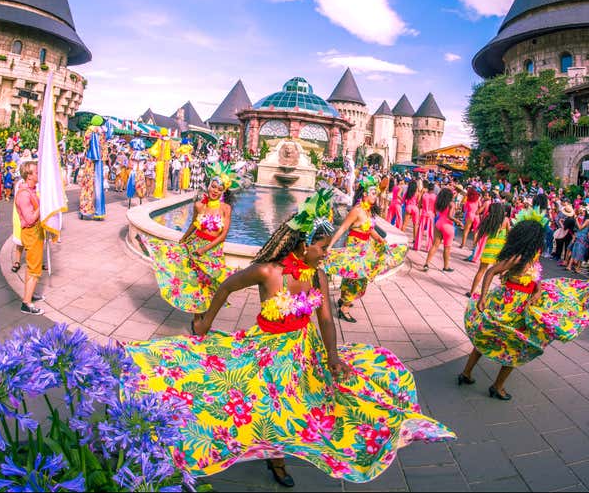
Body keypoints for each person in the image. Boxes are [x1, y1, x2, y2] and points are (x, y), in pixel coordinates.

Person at [126, 190, 455, 487]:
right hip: (266, 350)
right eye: (324, 247)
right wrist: (207, 322)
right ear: (302, 245)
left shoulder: (318, 275)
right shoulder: (267, 272)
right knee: (259, 400)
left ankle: (277, 453)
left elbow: (325, 318)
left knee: (301, 402)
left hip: (303, 349)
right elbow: (226, 286)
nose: (328, 252)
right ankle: (275, 457)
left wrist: (332, 356)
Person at [458, 208, 589, 400]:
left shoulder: (532, 256)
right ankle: (488, 383)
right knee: (514, 346)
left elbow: (536, 277)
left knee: (506, 342)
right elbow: (491, 272)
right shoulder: (517, 257)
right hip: (509, 306)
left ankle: (475, 377)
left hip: (522, 306)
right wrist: (482, 298)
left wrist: (538, 290)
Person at [143, 162, 237, 324]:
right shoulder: (199, 206)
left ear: (223, 191)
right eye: (213, 187)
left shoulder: (225, 208)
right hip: (195, 245)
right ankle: (197, 318)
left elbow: (223, 236)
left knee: (210, 283)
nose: (215, 191)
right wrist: (183, 239)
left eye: (219, 189)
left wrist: (205, 249)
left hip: (212, 250)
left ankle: (204, 315)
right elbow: (194, 224)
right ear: (209, 186)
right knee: (194, 282)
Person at [325, 176, 406, 323]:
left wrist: (380, 239)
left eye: (375, 193)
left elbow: (370, 229)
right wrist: (330, 246)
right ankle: (344, 309)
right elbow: (343, 228)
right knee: (356, 278)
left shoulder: (368, 211)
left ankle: (344, 299)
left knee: (353, 277)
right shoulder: (357, 210)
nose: (376, 196)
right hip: (355, 249)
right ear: (365, 194)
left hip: (365, 249)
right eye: (373, 193)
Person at [15, 161, 44, 315]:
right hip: (31, 232)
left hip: (35, 232)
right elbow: (30, 218)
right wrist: (43, 204)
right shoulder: (24, 195)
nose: (38, 174)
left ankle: (29, 294)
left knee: (31, 266)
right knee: (34, 269)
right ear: (29, 176)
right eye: (36, 172)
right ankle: (26, 303)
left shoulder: (30, 191)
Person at [467, 202, 511, 297]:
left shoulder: (489, 220)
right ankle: (503, 294)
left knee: (481, 270)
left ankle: (471, 292)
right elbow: (509, 234)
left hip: (489, 248)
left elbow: (479, 233)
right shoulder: (506, 220)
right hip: (500, 250)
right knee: (502, 271)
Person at [423, 188, 460, 272]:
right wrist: (458, 221)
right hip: (448, 226)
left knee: (435, 245)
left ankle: (426, 263)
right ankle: (446, 267)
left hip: (439, 224)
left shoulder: (440, 203)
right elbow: (450, 216)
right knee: (447, 248)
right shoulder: (452, 203)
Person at [414, 181, 436, 251]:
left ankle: (417, 246)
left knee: (420, 230)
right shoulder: (435, 197)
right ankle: (429, 247)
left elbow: (419, 204)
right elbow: (435, 207)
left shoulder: (424, 195)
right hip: (431, 214)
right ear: (433, 189)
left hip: (423, 213)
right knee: (430, 232)